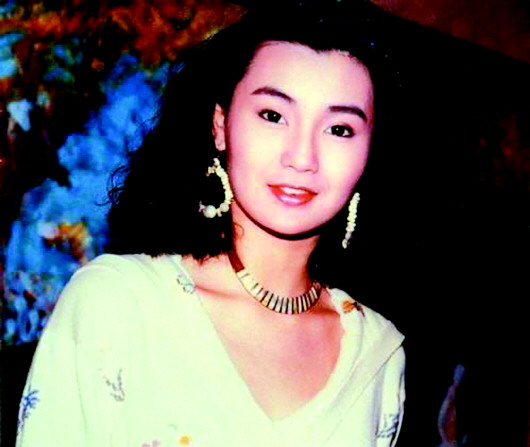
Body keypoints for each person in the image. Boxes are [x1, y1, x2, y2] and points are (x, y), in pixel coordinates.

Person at [16, 1, 405, 446]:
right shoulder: (117, 302)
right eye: (273, 116)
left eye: (339, 129)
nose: (302, 157)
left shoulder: (377, 353)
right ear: (220, 125)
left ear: (369, 151)